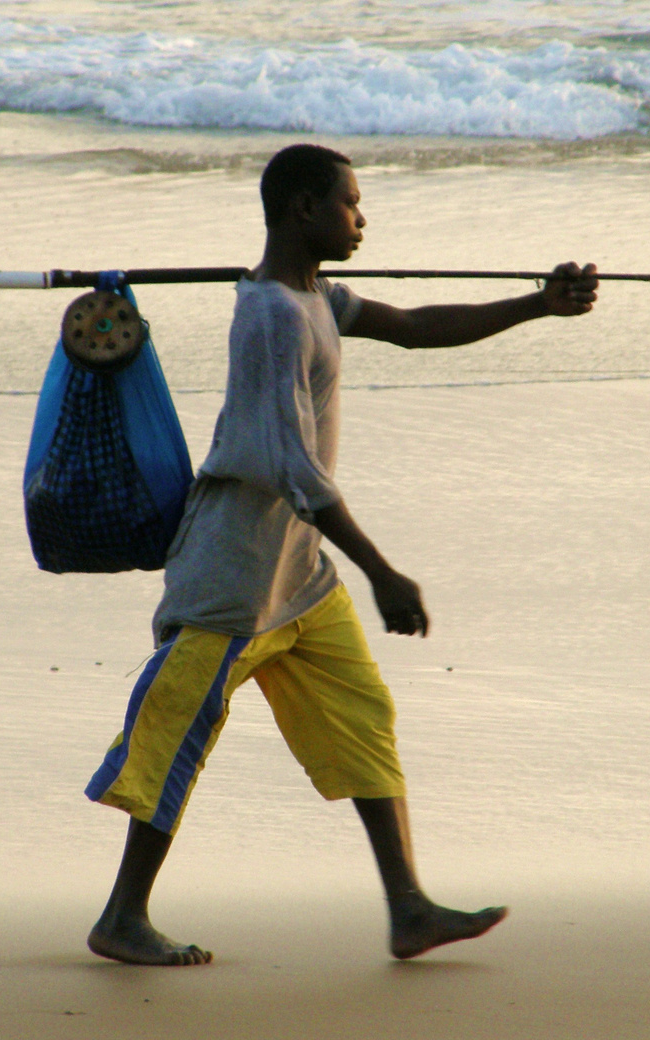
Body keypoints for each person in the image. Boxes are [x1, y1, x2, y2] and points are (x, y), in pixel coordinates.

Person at [84, 143, 599, 965]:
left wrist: (538, 305)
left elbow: (417, 328)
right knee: (176, 732)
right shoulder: (272, 320)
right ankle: (122, 918)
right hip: (233, 575)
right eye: (352, 203)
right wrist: (382, 570)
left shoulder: (313, 296)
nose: (363, 218)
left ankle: (409, 909)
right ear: (303, 209)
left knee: (362, 719)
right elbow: (295, 471)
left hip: (297, 575)